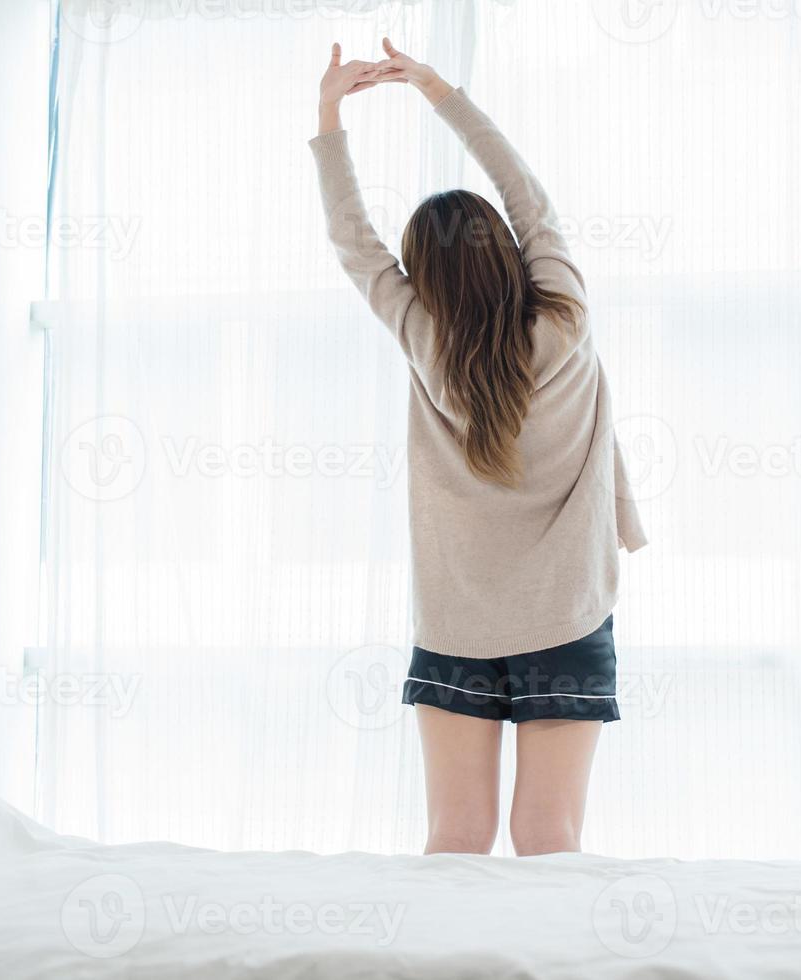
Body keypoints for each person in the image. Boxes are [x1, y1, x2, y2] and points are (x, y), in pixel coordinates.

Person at [310, 38, 646, 857]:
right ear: (507, 251)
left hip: (457, 623)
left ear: (422, 279)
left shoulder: (422, 335)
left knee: (454, 836)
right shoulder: (565, 314)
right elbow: (526, 194)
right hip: (567, 615)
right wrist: (433, 89)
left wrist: (328, 116)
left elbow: (355, 243)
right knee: (550, 834)